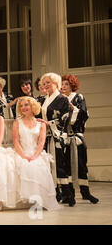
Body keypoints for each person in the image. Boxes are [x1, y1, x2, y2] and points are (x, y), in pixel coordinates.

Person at [12, 96, 61, 211]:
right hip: (21, 152)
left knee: (38, 166)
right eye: (21, 106)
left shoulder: (41, 124)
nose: (24, 108)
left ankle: (40, 199)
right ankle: (28, 198)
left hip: (36, 152)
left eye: (26, 105)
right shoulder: (17, 122)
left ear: (32, 106)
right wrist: (24, 156)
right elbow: (15, 141)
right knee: (25, 165)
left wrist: (35, 156)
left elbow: (41, 142)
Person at [61, 74, 98, 204]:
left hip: (77, 136)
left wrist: (73, 109)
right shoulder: (59, 99)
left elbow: (84, 114)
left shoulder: (79, 97)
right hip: (64, 137)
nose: (63, 87)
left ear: (72, 85)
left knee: (82, 164)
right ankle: (69, 194)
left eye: (66, 84)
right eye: (62, 84)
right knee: (66, 166)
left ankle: (85, 192)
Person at [40, 73, 74, 206]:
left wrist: (50, 124)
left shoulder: (63, 99)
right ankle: (56, 194)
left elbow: (65, 118)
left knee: (60, 165)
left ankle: (68, 195)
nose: (45, 85)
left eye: (48, 82)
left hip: (58, 136)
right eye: (44, 83)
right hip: (46, 137)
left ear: (56, 84)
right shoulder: (44, 100)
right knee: (50, 166)